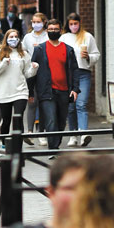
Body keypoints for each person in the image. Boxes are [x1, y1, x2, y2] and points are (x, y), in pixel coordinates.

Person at [31, 19, 80, 152]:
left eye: (56, 29)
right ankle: (53, 149)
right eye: (51, 29)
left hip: (64, 91)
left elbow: (75, 70)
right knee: (51, 120)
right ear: (47, 31)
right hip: (46, 91)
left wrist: (75, 89)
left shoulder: (68, 50)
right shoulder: (40, 49)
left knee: (61, 121)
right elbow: (32, 71)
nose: (53, 31)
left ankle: (55, 145)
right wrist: (30, 92)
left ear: (61, 31)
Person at [59, 12, 100, 147]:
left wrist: (88, 57)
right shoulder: (64, 38)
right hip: (69, 75)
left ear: (79, 23)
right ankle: (73, 135)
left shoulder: (87, 37)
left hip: (83, 73)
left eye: (75, 23)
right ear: (68, 25)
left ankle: (83, 134)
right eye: (71, 24)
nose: (73, 26)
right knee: (71, 106)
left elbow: (96, 54)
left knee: (81, 104)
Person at [0, 28, 38, 136]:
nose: (14, 39)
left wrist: (34, 68)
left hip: (20, 91)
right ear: (6, 39)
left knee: (18, 118)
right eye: (11, 37)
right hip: (5, 92)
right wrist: (3, 64)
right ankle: (4, 143)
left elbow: (27, 73)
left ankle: (18, 143)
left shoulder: (23, 54)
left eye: (16, 37)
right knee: (6, 120)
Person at [21, 12, 50, 146]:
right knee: (32, 102)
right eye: (34, 22)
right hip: (31, 73)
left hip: (45, 72)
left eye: (38, 22)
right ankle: (30, 132)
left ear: (44, 23)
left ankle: (41, 132)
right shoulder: (27, 37)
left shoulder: (48, 36)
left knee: (43, 103)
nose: (36, 24)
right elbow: (23, 52)